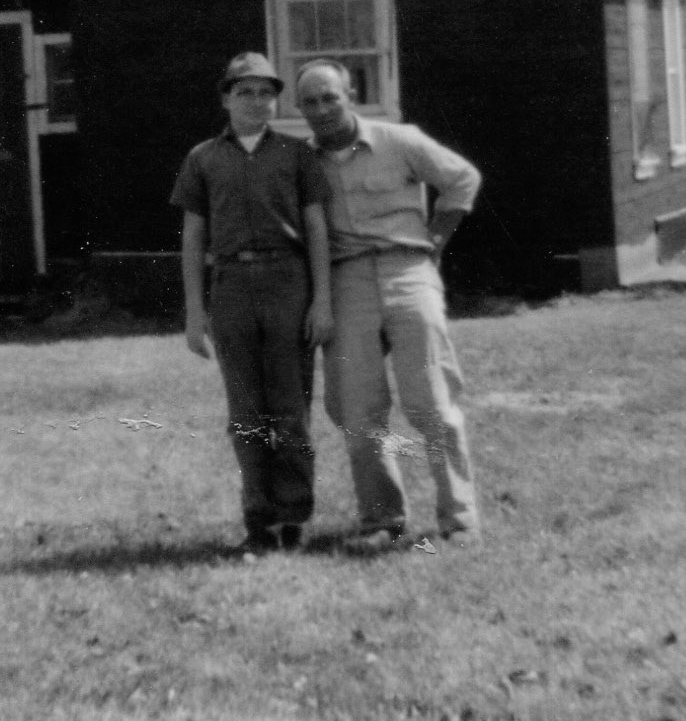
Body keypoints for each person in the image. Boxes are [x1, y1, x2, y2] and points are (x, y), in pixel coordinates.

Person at [294, 58, 483, 551]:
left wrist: (437, 238)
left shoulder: (399, 140)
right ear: (300, 109)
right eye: (310, 102)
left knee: (432, 401)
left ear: (351, 94)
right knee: (357, 408)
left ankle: (459, 517)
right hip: (345, 283)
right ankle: (381, 520)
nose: (322, 109)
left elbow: (462, 178)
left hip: (407, 273)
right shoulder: (301, 162)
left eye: (330, 97)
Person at [172, 52, 334, 553]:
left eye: (266, 92)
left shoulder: (296, 154)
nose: (257, 101)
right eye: (246, 91)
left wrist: (321, 300)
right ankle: (258, 520)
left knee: (288, 405)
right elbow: (194, 237)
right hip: (232, 286)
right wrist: (195, 311)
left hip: (288, 282)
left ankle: (293, 518)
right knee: (245, 408)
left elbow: (316, 228)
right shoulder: (203, 158)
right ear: (226, 98)